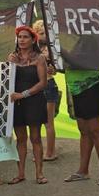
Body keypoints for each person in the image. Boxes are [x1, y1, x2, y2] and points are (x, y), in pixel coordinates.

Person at [8, 25, 49, 184]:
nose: (22, 40)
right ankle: (20, 173)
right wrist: (10, 64)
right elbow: (6, 78)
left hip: (34, 100)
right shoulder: (12, 57)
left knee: (36, 137)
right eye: (20, 37)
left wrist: (23, 94)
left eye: (25, 37)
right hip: (16, 103)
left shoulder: (39, 58)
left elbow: (43, 83)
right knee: (20, 139)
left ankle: (39, 173)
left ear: (33, 40)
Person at [63, 66, 99, 186]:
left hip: (92, 87)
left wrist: (62, 53)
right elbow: (68, 65)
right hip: (76, 89)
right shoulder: (70, 47)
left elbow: (80, 61)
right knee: (84, 131)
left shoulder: (90, 46)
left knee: (95, 130)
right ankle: (83, 171)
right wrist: (57, 69)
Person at [32, 20, 60, 161]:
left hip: (48, 85)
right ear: (35, 34)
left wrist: (52, 69)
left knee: (48, 122)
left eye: (46, 33)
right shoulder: (30, 49)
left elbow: (55, 71)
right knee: (35, 122)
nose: (44, 36)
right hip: (34, 87)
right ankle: (39, 152)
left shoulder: (51, 49)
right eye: (41, 33)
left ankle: (50, 152)